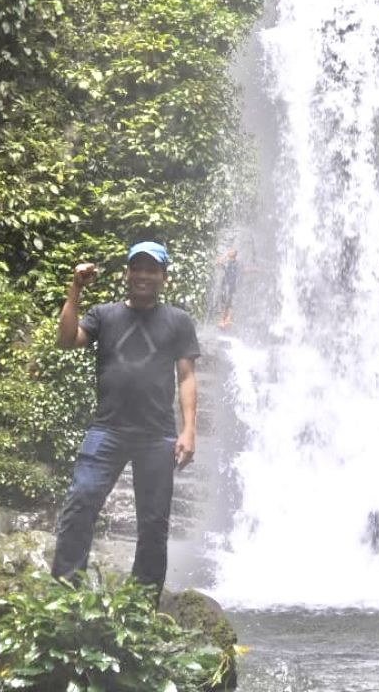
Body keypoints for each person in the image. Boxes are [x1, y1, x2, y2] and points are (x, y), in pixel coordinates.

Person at [52, 240, 200, 600]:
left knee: (153, 523)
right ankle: (66, 594)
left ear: (164, 276)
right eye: (137, 268)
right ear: (127, 273)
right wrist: (75, 288)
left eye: (151, 269)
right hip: (108, 428)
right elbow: (67, 339)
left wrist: (189, 430)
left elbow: (187, 377)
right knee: (80, 502)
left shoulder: (178, 321)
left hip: (157, 435)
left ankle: (142, 603)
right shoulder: (105, 315)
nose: (143, 275)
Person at [216, 248, 239, 329]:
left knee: (230, 302)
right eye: (229, 250)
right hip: (226, 284)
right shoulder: (227, 262)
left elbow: (242, 270)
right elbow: (218, 263)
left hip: (232, 285)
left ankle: (227, 320)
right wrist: (225, 255)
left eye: (231, 250)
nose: (229, 251)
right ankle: (223, 320)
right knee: (225, 302)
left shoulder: (237, 263)